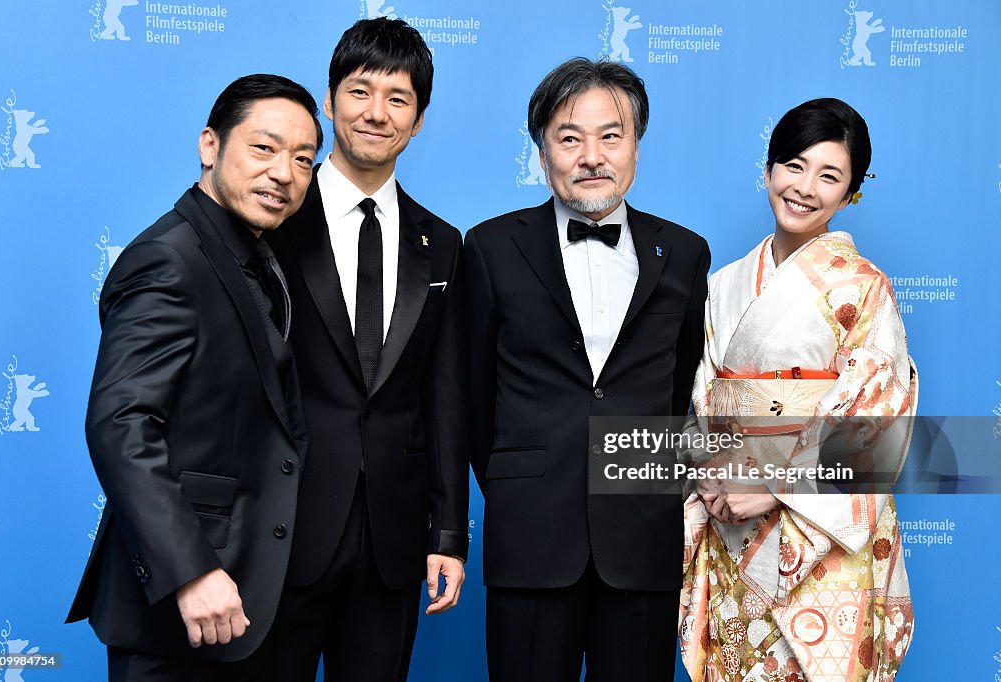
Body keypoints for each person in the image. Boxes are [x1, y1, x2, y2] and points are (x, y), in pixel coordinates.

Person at [66, 74, 321, 680]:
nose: (284, 173)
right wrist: (192, 570)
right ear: (211, 145)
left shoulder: (252, 255)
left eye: (304, 159)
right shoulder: (169, 258)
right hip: (183, 609)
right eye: (264, 148)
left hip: (250, 603)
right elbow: (120, 423)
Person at [466, 57, 711, 682]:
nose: (592, 155)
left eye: (611, 135)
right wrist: (524, 481)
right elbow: (468, 399)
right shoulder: (490, 248)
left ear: (636, 145)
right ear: (542, 151)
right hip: (530, 537)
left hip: (642, 538)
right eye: (569, 137)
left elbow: (683, 386)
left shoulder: (684, 253)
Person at [678, 98, 916, 681]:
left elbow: (877, 419)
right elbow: (702, 398)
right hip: (733, 518)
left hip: (821, 533)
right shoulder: (725, 283)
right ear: (768, 169)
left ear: (850, 192)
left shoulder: (864, 290)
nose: (805, 188)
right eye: (794, 166)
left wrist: (775, 488)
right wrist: (713, 473)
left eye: (829, 176)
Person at [265, 17, 468, 682]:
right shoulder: (271, 222)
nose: (376, 113)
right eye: (360, 92)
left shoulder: (443, 242)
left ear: (418, 119)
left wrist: (448, 535)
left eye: (398, 99)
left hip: (393, 538)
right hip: (278, 530)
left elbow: (445, 397)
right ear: (328, 101)